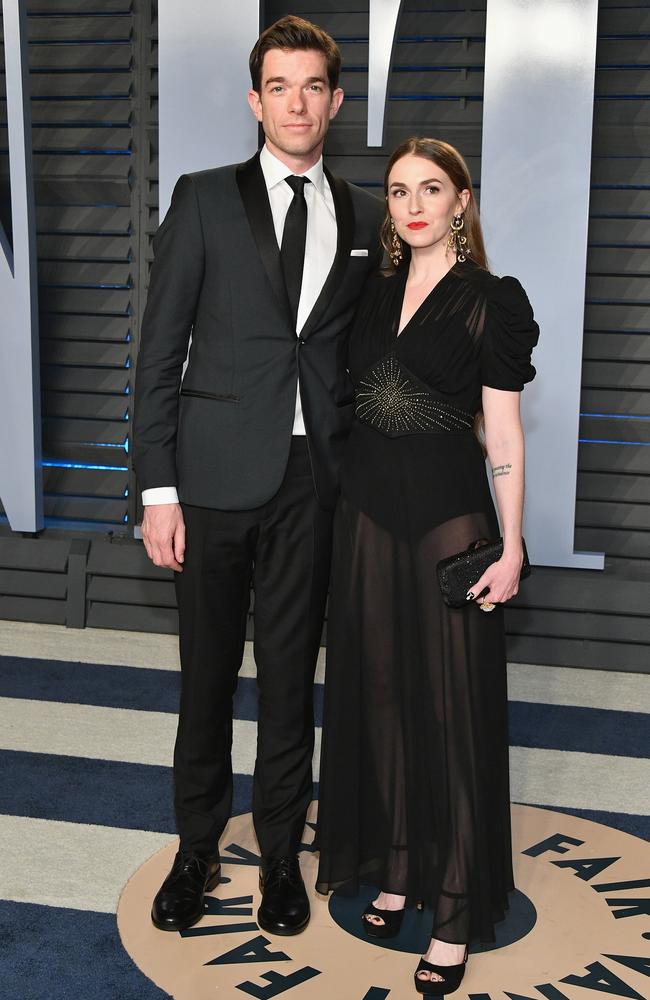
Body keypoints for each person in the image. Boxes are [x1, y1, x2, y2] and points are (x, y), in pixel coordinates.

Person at [133, 15, 383, 936]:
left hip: (312, 484)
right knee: (205, 678)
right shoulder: (202, 199)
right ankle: (197, 849)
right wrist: (156, 488)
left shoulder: (362, 214)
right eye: (280, 86)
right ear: (255, 99)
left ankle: (281, 856)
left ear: (335, 100)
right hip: (207, 483)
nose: (297, 103)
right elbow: (159, 354)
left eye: (313, 86)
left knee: (289, 680)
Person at [315, 137, 539, 995]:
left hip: (448, 521)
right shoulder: (369, 294)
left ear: (461, 202)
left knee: (449, 713)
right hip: (366, 520)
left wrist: (512, 545)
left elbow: (504, 432)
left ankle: (451, 905)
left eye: (430, 189)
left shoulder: (490, 302)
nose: (411, 204)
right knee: (378, 698)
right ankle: (401, 862)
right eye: (399, 190)